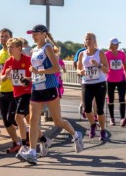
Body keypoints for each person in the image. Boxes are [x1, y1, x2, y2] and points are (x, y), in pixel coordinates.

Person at [16, 24, 84, 165]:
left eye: (35, 33)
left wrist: (39, 72)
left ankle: (76, 135)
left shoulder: (47, 48)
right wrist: (29, 78)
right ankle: (33, 153)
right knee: (33, 120)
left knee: (57, 120)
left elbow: (56, 68)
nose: (33, 36)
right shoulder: (34, 50)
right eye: (32, 34)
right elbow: (36, 70)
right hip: (36, 87)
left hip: (50, 87)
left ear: (44, 34)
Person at [2, 38, 52, 157]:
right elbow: (2, 78)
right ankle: (45, 140)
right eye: (8, 47)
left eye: (11, 47)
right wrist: (6, 75)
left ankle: (24, 145)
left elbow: (37, 74)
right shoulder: (9, 62)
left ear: (19, 49)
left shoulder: (28, 60)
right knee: (29, 120)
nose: (9, 49)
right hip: (16, 93)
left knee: (18, 117)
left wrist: (29, 80)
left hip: (28, 92)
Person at [77, 32, 109, 141]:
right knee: (87, 109)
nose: (88, 41)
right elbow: (78, 68)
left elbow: (107, 69)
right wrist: (80, 71)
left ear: (94, 41)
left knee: (100, 109)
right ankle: (92, 125)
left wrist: (98, 65)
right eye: (86, 39)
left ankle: (103, 130)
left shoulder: (100, 53)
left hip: (99, 83)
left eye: (90, 39)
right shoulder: (82, 54)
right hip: (87, 84)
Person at [0, 28, 21, 153]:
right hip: (2, 91)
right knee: (6, 120)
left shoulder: (14, 53)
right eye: (1, 36)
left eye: (6, 36)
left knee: (12, 117)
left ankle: (28, 136)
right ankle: (17, 142)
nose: (3, 38)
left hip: (15, 90)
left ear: (11, 37)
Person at [105, 37, 126, 126]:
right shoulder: (106, 54)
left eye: (118, 44)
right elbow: (104, 67)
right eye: (116, 44)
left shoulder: (122, 54)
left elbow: (125, 67)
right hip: (110, 80)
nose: (117, 45)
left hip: (121, 80)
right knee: (110, 100)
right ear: (111, 45)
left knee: (122, 99)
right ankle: (112, 119)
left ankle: (122, 118)